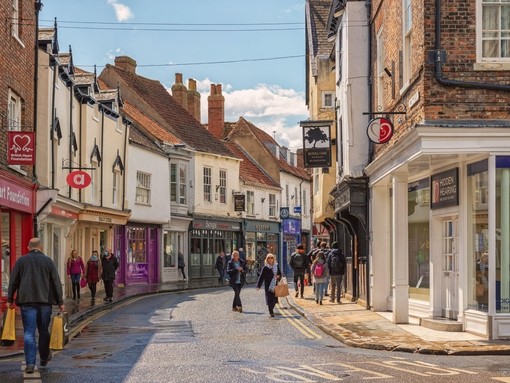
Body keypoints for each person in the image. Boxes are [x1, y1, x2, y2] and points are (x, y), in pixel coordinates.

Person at [7, 238, 65, 374]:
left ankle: (30, 364)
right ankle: (44, 357)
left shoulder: (21, 261)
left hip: (27, 302)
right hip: (45, 302)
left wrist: (10, 299)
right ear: (41, 247)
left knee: (29, 333)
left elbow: (13, 281)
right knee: (43, 330)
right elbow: (56, 282)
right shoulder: (48, 261)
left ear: (28, 247)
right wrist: (60, 302)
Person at [256, 253, 282, 317]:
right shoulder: (265, 268)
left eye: (271, 258)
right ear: (267, 259)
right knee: (270, 299)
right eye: (269, 258)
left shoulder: (276, 266)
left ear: (273, 259)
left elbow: (280, 274)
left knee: (274, 300)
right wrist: (258, 286)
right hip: (268, 285)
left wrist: (278, 276)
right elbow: (261, 277)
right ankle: (271, 312)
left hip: (275, 285)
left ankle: (271, 310)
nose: (270, 259)